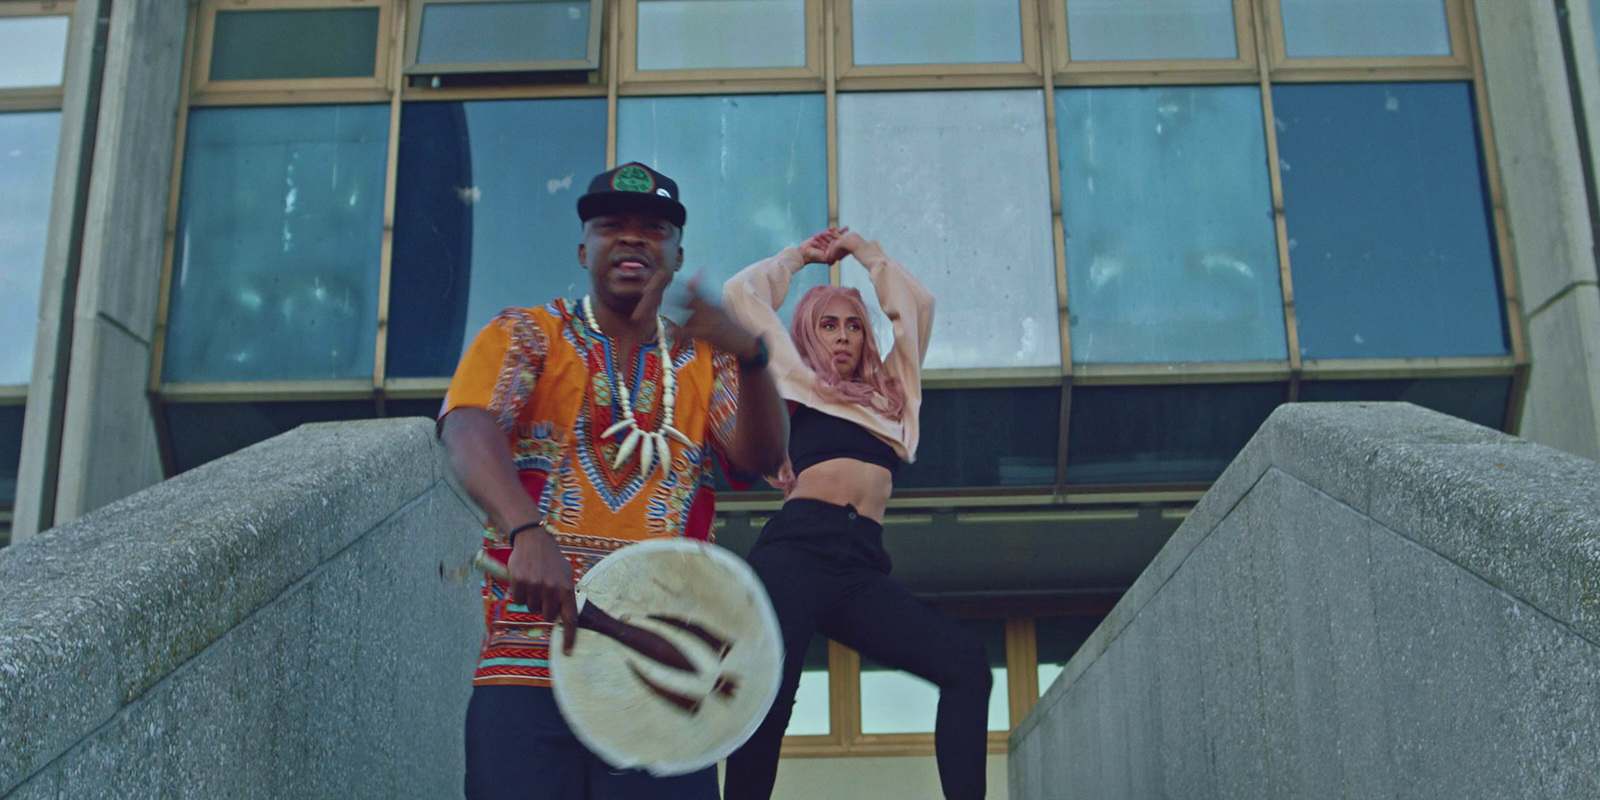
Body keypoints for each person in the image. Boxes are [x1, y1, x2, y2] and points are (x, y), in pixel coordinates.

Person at [438, 162, 788, 800]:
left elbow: (763, 455)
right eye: (611, 227)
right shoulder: (529, 335)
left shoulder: (704, 362)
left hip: (663, 672)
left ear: (678, 255)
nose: (632, 240)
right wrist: (526, 530)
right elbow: (466, 429)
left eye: (653, 230)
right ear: (583, 248)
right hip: (526, 666)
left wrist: (753, 355)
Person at [720, 228, 993, 800]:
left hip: (860, 567)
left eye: (853, 325)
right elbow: (740, 297)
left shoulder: (892, 393)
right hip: (795, 553)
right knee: (771, 701)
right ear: (807, 334)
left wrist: (867, 255)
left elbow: (917, 307)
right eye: (828, 324)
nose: (843, 337)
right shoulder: (793, 384)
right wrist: (800, 257)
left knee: (967, 663)